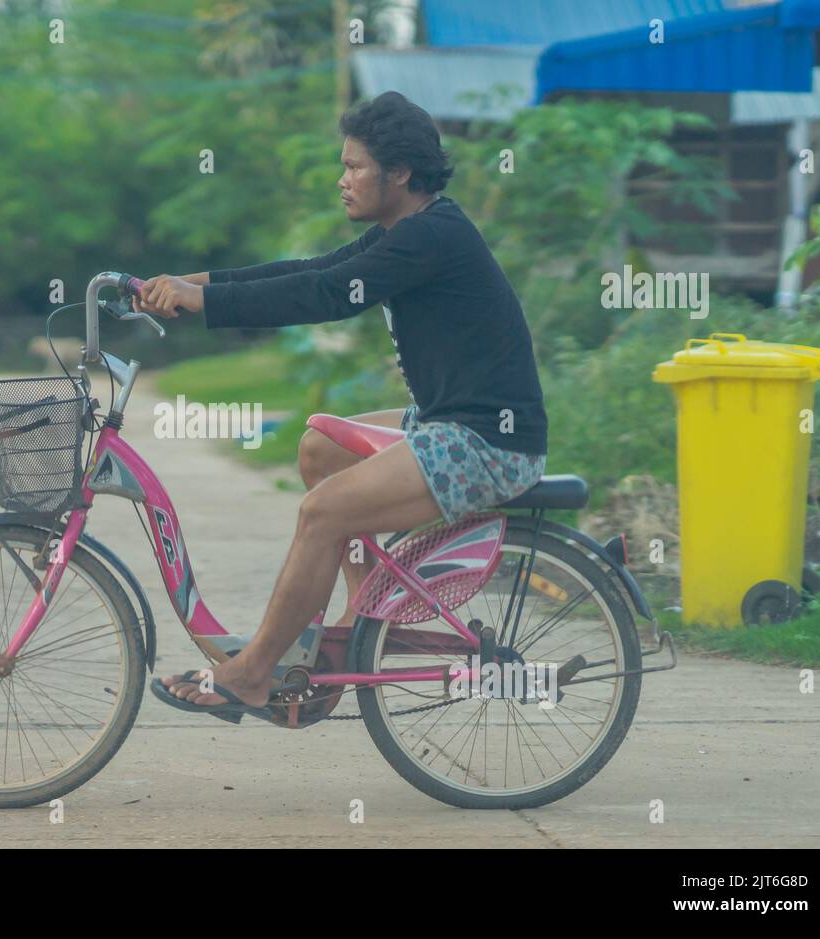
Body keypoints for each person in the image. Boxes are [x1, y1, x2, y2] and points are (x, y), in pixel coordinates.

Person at [133, 91, 548, 719]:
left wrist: (202, 304)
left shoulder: (432, 237)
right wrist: (194, 285)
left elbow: (324, 295)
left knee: (323, 513)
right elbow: (311, 269)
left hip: (487, 443)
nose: (342, 179)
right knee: (321, 449)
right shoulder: (407, 229)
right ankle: (358, 624)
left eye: (354, 166)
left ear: (399, 172)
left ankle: (248, 675)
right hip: (449, 424)